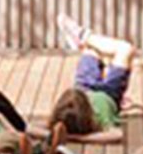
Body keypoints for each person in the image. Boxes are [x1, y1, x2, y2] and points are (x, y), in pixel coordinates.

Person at [39, 15, 134, 144]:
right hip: (109, 92)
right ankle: (84, 36)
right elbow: (117, 135)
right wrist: (81, 138)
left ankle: (85, 41)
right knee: (125, 49)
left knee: (92, 51)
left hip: (84, 86)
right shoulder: (100, 119)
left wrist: (65, 136)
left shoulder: (59, 120)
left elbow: (29, 129)